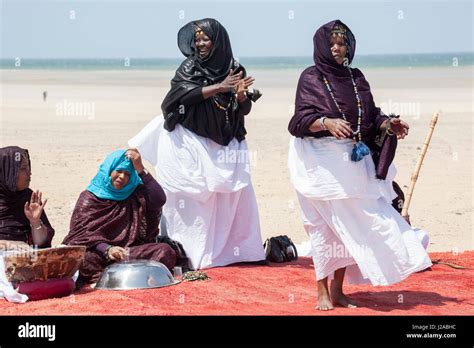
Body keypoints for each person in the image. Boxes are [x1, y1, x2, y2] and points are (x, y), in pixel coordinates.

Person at [288, 20, 432, 310]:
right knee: (321, 228)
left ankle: (339, 291)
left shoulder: (357, 78)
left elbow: (370, 117)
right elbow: (298, 122)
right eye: (332, 43)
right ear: (321, 47)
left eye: (342, 43)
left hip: (352, 162)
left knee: (348, 228)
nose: (337, 48)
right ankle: (322, 291)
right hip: (317, 164)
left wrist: (388, 124)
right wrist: (326, 122)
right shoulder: (310, 78)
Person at [129, 18, 265, 270]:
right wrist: (219, 87)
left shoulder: (235, 68)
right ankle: (190, 253)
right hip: (188, 141)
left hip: (225, 142)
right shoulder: (189, 67)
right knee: (191, 203)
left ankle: (231, 253)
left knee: (231, 200)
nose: (200, 43)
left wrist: (240, 95)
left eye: (206, 38)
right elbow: (174, 99)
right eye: (197, 39)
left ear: (219, 41)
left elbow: (241, 109)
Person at [62, 148, 176, 285]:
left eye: (127, 174)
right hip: (101, 254)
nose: (122, 177)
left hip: (128, 253)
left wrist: (140, 169)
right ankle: (116, 276)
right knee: (79, 258)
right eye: (119, 171)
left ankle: (112, 277)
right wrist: (107, 249)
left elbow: (159, 199)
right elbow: (81, 237)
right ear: (109, 171)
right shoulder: (89, 197)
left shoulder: (134, 193)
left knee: (165, 251)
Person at [0, 146, 54, 250]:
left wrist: (35, 222)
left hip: (22, 260)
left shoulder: (28, 198)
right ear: (7, 171)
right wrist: (7, 245)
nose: (29, 173)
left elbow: (41, 244)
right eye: (23, 169)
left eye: (28, 168)